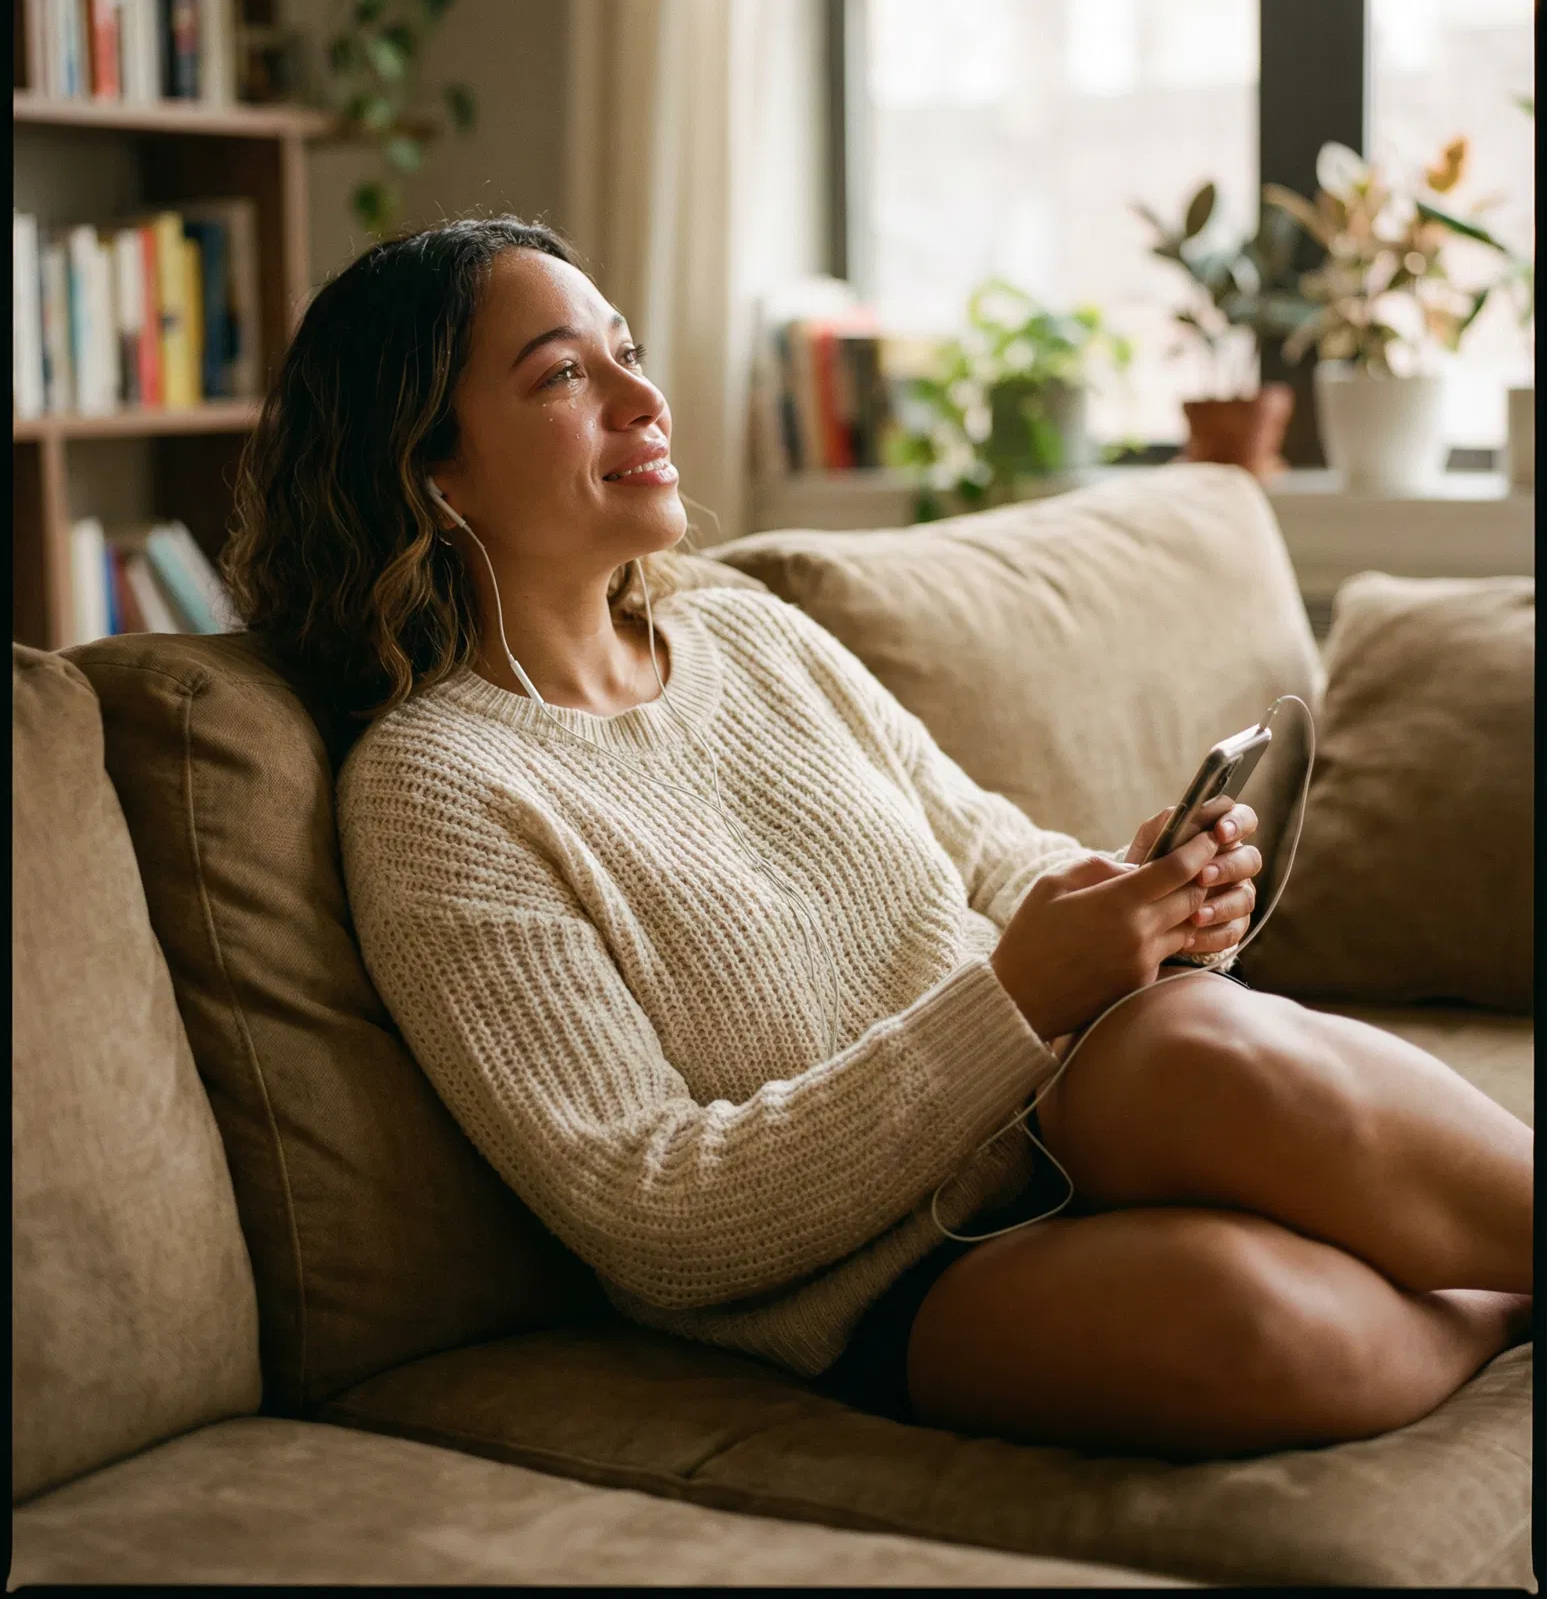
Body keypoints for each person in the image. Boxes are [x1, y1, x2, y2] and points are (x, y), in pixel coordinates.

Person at [225, 216, 1532, 1460]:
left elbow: (985, 856)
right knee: (1251, 1330)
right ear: (429, 467)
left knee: (1193, 1040)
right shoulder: (435, 790)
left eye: (628, 350)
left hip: (1072, 1109)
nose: (642, 399)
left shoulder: (745, 630)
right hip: (869, 1271)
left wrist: (1134, 902)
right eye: (567, 375)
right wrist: (1020, 989)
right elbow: (649, 1214)